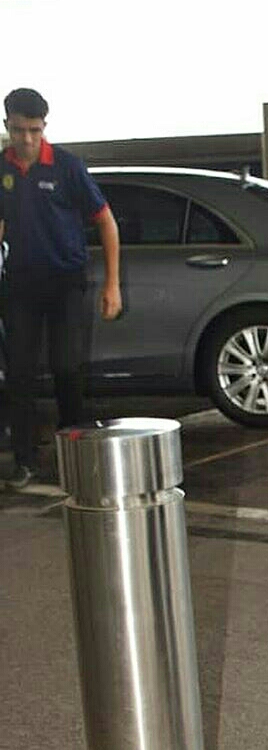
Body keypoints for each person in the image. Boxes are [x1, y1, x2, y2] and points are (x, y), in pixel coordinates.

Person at [1, 88, 122, 488]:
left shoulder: (67, 167)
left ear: (45, 127)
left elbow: (106, 222)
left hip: (66, 283)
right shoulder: (2, 169)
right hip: (20, 285)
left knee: (67, 369)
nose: (28, 139)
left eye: (35, 130)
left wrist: (112, 285)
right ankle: (25, 462)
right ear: (7, 127)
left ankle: (76, 459)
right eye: (19, 130)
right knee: (18, 373)